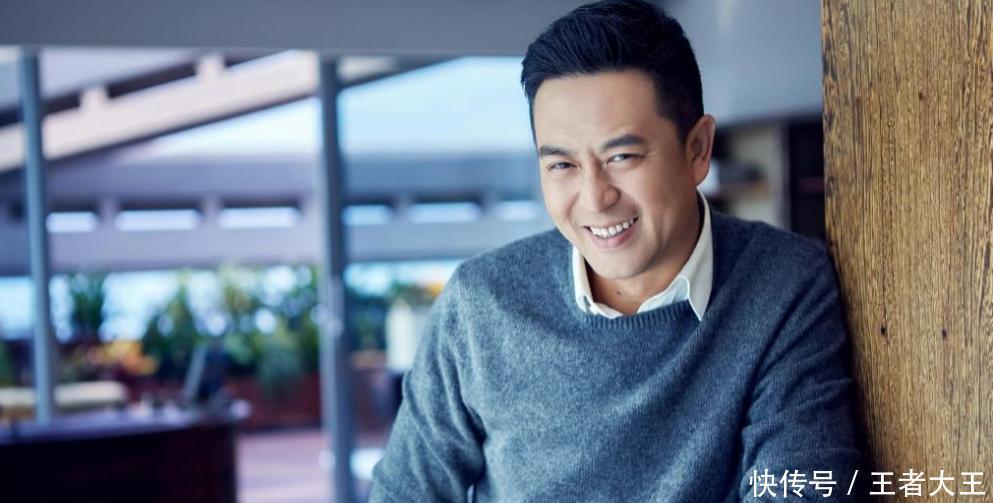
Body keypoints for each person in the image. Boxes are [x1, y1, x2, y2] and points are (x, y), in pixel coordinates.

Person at [370, 0, 862, 501]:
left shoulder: (784, 284)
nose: (596, 198)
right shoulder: (480, 305)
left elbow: (807, 489)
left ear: (697, 149)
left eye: (622, 156)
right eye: (562, 165)